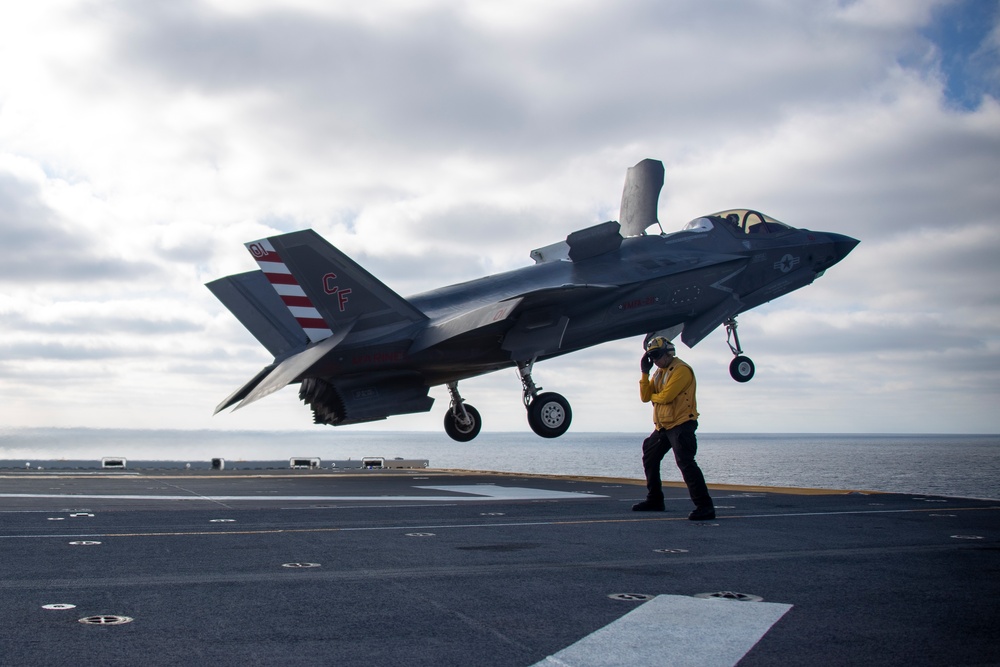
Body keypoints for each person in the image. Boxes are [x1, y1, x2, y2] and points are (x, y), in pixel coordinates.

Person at [633, 337, 716, 521]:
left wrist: (656, 395)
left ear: (669, 353)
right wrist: (645, 373)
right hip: (663, 426)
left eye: (657, 356)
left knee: (686, 462)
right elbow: (646, 397)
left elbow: (667, 397)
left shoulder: (681, 370)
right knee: (650, 456)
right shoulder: (658, 373)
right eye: (651, 357)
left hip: (681, 424)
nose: (655, 361)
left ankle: (705, 506)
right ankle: (654, 500)